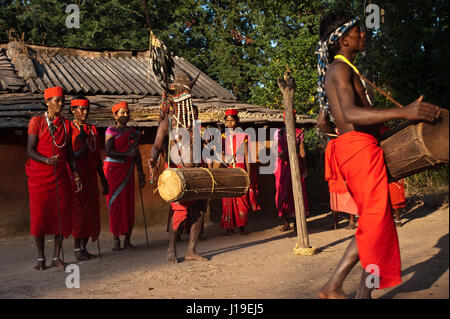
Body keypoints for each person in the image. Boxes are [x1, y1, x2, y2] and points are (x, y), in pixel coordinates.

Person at [316, 11, 440, 299]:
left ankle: (364, 293)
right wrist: (403, 111)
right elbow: (349, 113)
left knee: (376, 222)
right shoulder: (340, 70)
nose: (364, 34)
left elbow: (332, 120)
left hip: (360, 148)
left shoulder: (342, 70)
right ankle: (334, 286)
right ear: (345, 39)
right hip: (358, 150)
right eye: (359, 31)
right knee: (375, 221)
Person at [149, 70, 207, 264]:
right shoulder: (167, 123)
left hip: (195, 173)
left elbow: (200, 149)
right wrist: (153, 158)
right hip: (177, 175)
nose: (186, 105)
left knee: (198, 212)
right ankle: (171, 250)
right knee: (179, 212)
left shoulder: (195, 125)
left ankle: (191, 250)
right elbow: (157, 145)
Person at [26, 86, 83, 271]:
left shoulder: (66, 125)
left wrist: (75, 175)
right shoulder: (36, 122)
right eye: (57, 100)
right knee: (39, 217)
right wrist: (47, 160)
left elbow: (70, 154)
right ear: (47, 102)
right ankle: (41, 257)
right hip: (39, 176)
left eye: (62, 100)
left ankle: (57, 256)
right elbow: (30, 150)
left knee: (60, 216)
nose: (61, 103)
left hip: (59, 176)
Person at [68, 96, 109, 260]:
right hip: (77, 177)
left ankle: (84, 247)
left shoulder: (92, 130)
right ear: (73, 110)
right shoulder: (69, 129)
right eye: (81, 109)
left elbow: (97, 158)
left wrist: (103, 180)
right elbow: (67, 156)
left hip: (91, 177)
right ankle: (77, 248)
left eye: (87, 109)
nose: (85, 113)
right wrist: (78, 153)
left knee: (92, 212)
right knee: (79, 212)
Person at [104, 102, 145, 251]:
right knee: (115, 204)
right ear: (115, 115)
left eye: (127, 113)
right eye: (122, 113)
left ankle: (128, 239)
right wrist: (126, 154)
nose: (126, 115)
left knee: (128, 203)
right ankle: (116, 240)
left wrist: (141, 173)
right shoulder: (111, 131)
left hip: (128, 170)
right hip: (114, 170)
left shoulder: (133, 132)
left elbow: (137, 154)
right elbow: (109, 151)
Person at [273, 110, 309, 232]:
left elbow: (302, 150)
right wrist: (279, 155)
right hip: (282, 165)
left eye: (292, 118)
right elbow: (274, 150)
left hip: (295, 164)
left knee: (296, 191)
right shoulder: (278, 133)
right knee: (282, 192)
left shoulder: (299, 133)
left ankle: (297, 222)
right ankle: (285, 221)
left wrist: (304, 167)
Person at [220, 109, 253, 236]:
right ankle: (229, 227)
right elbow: (221, 154)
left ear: (237, 121)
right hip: (228, 170)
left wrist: (248, 174)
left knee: (241, 198)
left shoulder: (243, 137)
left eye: (232, 120)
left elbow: (247, 156)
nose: (229, 123)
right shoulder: (223, 137)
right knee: (227, 198)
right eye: (227, 121)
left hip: (240, 169)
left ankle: (242, 226)